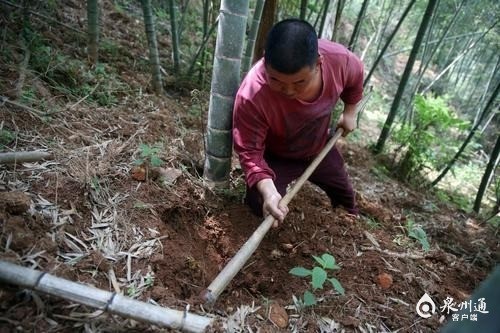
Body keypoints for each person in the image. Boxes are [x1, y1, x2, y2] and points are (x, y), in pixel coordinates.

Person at [232, 18, 364, 227]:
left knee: (345, 196)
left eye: (300, 82)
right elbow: (249, 151)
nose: (289, 91)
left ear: (319, 64)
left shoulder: (338, 60)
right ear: (265, 62)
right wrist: (268, 190)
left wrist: (350, 111)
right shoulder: (252, 94)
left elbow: (356, 74)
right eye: (276, 80)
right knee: (259, 205)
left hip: (319, 149)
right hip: (277, 156)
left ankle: (351, 225)